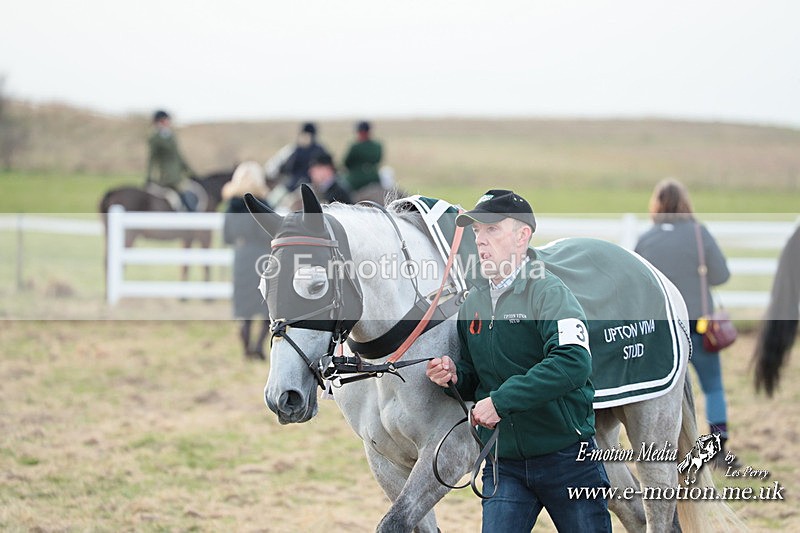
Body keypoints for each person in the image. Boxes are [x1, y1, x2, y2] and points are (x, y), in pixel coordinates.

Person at [426, 190, 611, 532]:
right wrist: (454, 375)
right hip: (503, 463)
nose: (480, 241)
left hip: (568, 459)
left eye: (492, 230)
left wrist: (500, 402)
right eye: (477, 232)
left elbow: (573, 361)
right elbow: (477, 377)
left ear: (522, 236)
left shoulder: (549, 293)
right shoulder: (473, 303)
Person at [634, 178, 737, 468]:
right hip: (698, 324)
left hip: (663, 328)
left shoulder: (646, 239)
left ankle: (666, 450)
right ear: (685, 202)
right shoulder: (698, 233)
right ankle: (717, 452)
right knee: (713, 386)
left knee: (665, 391)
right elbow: (722, 275)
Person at [222, 161, 272, 360]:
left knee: (244, 308)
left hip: (241, 257)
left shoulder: (231, 206)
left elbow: (226, 237)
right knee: (265, 306)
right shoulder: (265, 206)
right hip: (262, 257)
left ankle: (246, 349)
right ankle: (259, 346)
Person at [146, 110, 198, 210]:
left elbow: (178, 156)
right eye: (166, 120)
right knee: (185, 194)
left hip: (178, 174)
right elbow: (152, 159)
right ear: (160, 122)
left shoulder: (170, 135)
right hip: (168, 177)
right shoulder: (155, 138)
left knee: (193, 191)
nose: (168, 122)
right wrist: (149, 177)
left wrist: (190, 171)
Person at [278, 122, 329, 192]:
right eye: (303, 135)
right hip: (295, 183)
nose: (304, 138)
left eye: (306, 135)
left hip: (312, 185)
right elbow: (288, 167)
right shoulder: (298, 149)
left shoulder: (319, 150)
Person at [343, 120, 383, 192]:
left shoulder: (355, 146)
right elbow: (378, 160)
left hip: (356, 181)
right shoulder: (377, 146)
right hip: (374, 178)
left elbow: (346, 163)